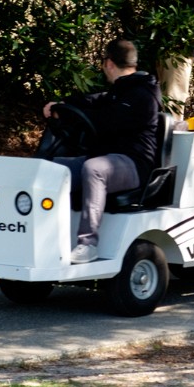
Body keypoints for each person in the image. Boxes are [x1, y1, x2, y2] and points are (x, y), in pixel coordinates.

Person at [44, 39, 161, 264]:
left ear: (108, 63)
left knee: (94, 168)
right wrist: (61, 106)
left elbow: (107, 121)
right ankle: (45, 238)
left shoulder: (143, 95)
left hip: (136, 164)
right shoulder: (119, 91)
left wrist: (71, 114)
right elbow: (93, 101)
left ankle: (88, 244)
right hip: (109, 160)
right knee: (51, 168)